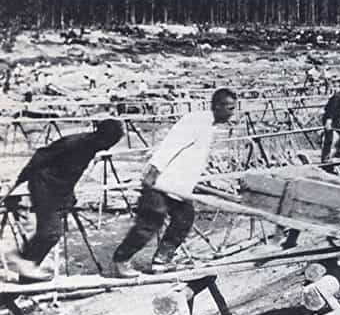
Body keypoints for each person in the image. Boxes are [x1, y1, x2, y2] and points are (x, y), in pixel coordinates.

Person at [112, 88, 237, 277]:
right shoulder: (196, 121)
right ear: (218, 106)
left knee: (184, 219)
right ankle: (121, 260)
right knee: (150, 224)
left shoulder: (209, 126)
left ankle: (161, 261)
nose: (232, 113)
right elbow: (171, 145)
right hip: (160, 183)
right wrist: (153, 170)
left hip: (178, 187)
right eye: (230, 108)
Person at [7, 119, 124, 282]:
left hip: (59, 189)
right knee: (51, 233)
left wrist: (69, 193)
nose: (110, 146)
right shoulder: (75, 143)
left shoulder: (91, 146)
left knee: (50, 233)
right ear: (104, 137)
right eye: (112, 141)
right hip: (43, 186)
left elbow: (69, 171)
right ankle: (21, 260)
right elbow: (40, 156)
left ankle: (26, 275)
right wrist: (18, 183)